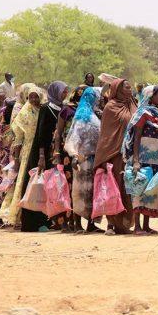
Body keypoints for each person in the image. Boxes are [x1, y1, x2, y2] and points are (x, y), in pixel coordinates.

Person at [20, 81, 69, 231]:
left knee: (55, 186)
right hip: (45, 152)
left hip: (58, 151)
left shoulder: (64, 108)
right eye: (63, 91)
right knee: (41, 186)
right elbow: (41, 133)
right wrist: (41, 156)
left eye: (66, 91)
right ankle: (36, 222)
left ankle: (54, 221)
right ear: (55, 92)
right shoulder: (46, 108)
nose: (65, 94)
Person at [94, 78, 137, 235]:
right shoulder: (110, 107)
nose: (130, 90)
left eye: (130, 87)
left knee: (128, 189)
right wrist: (105, 157)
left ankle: (125, 224)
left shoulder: (133, 104)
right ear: (117, 90)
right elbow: (106, 135)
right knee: (114, 188)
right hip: (115, 154)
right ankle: (111, 224)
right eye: (127, 87)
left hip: (131, 154)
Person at [123, 85, 158, 235]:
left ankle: (147, 226)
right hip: (144, 156)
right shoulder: (142, 113)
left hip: (157, 158)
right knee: (140, 189)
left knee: (152, 190)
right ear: (150, 96)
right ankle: (137, 226)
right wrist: (136, 160)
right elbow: (136, 137)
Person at [0, 84, 45, 227]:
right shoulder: (24, 113)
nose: (33, 99)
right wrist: (16, 158)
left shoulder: (44, 110)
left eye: (36, 96)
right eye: (30, 97)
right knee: (24, 183)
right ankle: (19, 216)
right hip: (27, 151)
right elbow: (18, 138)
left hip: (41, 149)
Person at [64, 87, 103, 232]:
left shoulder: (94, 115)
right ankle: (78, 224)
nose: (99, 101)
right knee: (79, 191)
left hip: (94, 158)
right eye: (97, 98)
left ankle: (91, 224)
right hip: (82, 159)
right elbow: (75, 137)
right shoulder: (82, 116)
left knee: (92, 191)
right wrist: (74, 155)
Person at [52, 85, 85, 231]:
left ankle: (77, 222)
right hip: (67, 152)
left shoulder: (87, 110)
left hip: (82, 152)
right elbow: (58, 133)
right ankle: (65, 222)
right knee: (67, 186)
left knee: (79, 187)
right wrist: (56, 152)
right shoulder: (67, 109)